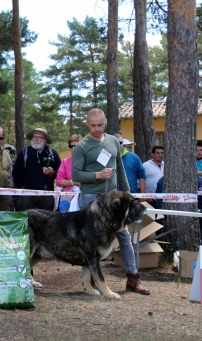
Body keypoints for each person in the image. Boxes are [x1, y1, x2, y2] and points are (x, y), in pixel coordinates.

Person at [71, 108, 150, 295]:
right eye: (92, 125)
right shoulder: (82, 146)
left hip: (114, 200)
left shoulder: (114, 141)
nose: (97, 129)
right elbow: (75, 175)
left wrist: (128, 193)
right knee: (92, 241)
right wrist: (97, 175)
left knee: (124, 237)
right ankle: (91, 281)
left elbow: (120, 169)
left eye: (100, 125)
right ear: (87, 124)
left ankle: (133, 278)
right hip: (91, 198)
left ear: (105, 122)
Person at [13, 128, 61, 211]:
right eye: (34, 137)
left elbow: (60, 172)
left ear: (45, 140)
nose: (35, 139)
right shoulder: (24, 152)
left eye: (39, 137)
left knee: (46, 219)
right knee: (27, 218)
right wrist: (22, 187)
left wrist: (52, 173)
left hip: (46, 193)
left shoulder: (52, 153)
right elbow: (16, 172)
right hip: (27, 194)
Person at [55, 134, 82, 211]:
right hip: (67, 197)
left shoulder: (88, 161)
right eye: (71, 146)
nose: (73, 148)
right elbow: (58, 181)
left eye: (76, 146)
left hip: (84, 196)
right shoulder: (65, 162)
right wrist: (73, 182)